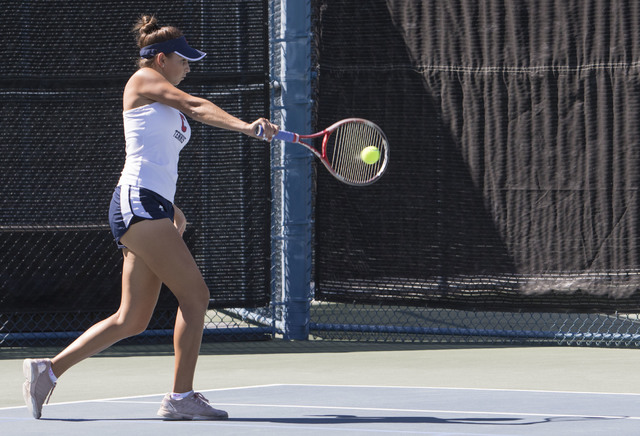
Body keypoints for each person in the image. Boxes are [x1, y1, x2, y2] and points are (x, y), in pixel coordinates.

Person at [22, 15, 278, 421]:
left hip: (151, 205)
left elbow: (154, 157)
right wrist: (246, 126)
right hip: (137, 203)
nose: (189, 67)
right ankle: (180, 397)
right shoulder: (142, 81)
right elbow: (195, 107)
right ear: (160, 59)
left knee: (133, 318)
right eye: (184, 60)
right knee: (196, 298)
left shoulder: (164, 101)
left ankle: (48, 371)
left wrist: (172, 210)